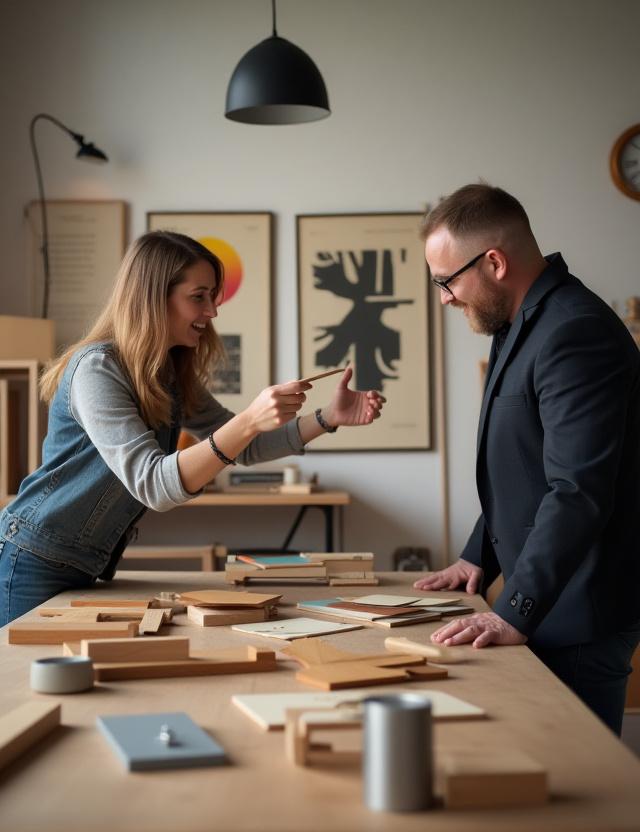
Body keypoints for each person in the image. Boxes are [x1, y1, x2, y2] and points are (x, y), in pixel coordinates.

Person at [0, 231, 384, 624]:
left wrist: (327, 417)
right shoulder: (97, 369)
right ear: (153, 298)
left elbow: (247, 446)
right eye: (199, 296)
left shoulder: (168, 373)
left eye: (213, 296)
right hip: (32, 559)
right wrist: (248, 420)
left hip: (80, 564)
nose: (212, 311)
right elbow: (153, 484)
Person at [414, 183, 640, 735]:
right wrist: (477, 558)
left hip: (579, 608)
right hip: (552, 598)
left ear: (494, 263)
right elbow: (522, 469)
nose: (444, 298)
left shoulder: (574, 331)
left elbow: (577, 491)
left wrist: (514, 609)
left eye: (446, 281)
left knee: (578, 775)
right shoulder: (521, 323)